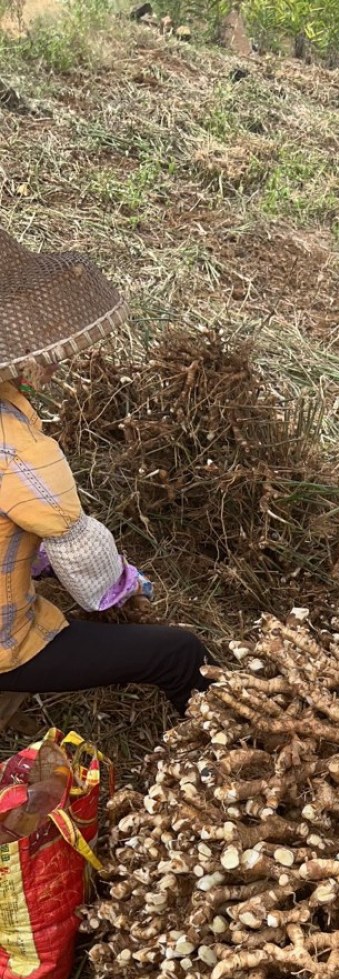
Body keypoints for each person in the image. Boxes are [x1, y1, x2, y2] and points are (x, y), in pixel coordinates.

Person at [0, 227, 207, 714]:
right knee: (180, 653)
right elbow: (86, 567)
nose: (49, 360)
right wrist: (124, 585)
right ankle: (221, 755)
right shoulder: (16, 451)